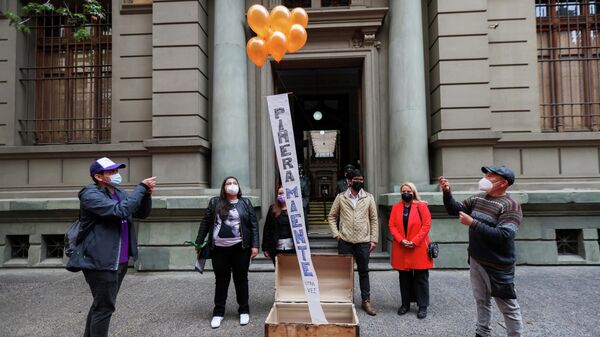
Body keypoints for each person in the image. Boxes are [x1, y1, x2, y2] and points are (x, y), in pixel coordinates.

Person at [67, 157, 155, 337]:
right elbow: (119, 211)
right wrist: (140, 187)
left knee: (101, 304)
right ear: (98, 176)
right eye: (112, 172)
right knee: (104, 307)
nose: (117, 174)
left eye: (117, 171)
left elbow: (141, 213)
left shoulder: (118, 192)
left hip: (119, 260)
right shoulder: (90, 194)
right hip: (100, 259)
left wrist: (146, 195)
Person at [438, 166, 523, 337]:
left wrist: (473, 223)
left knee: (507, 306)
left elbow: (504, 235)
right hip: (477, 259)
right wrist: (447, 193)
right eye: (486, 174)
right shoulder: (478, 198)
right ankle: (482, 332)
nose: (485, 177)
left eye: (491, 176)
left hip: (498, 266)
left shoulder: (511, 205)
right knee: (481, 300)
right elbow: (455, 209)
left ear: (503, 183)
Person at [195, 176, 259, 329]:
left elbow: (253, 225)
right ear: (223, 187)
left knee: (241, 279)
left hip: (240, 248)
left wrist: (255, 245)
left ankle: (244, 310)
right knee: (221, 280)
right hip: (219, 250)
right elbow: (205, 222)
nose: (232, 185)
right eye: (228, 183)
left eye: (234, 183)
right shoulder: (215, 202)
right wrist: (199, 241)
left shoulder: (245, 203)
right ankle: (218, 312)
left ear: (238, 186)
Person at [327, 169, 379, 316]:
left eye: (361, 179)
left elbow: (374, 219)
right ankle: (345, 300)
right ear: (349, 181)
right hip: (345, 241)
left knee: (364, 272)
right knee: (344, 273)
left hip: (363, 241)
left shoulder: (369, 198)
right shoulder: (340, 197)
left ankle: (366, 300)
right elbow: (331, 216)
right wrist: (337, 235)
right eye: (356, 179)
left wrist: (373, 239)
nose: (359, 182)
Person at [388, 182, 433, 319]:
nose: (406, 193)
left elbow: (426, 225)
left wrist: (414, 241)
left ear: (413, 192)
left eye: (408, 190)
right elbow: (392, 225)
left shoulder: (421, 206)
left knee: (421, 277)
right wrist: (401, 240)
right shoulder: (396, 207)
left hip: (418, 247)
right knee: (404, 278)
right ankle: (405, 304)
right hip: (402, 247)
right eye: (403, 191)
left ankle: (422, 306)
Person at [262, 185, 295, 265]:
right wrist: (265, 248)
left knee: (291, 272)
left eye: (284, 193)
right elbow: (267, 229)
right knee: (279, 271)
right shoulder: (272, 209)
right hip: (276, 247)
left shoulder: (295, 209)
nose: (282, 195)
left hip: (293, 248)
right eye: (280, 193)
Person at [299, 164, 311, 232]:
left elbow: (307, 194)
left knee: (304, 219)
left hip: (302, 202)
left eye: (300, 169)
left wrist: (304, 203)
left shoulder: (305, 181)